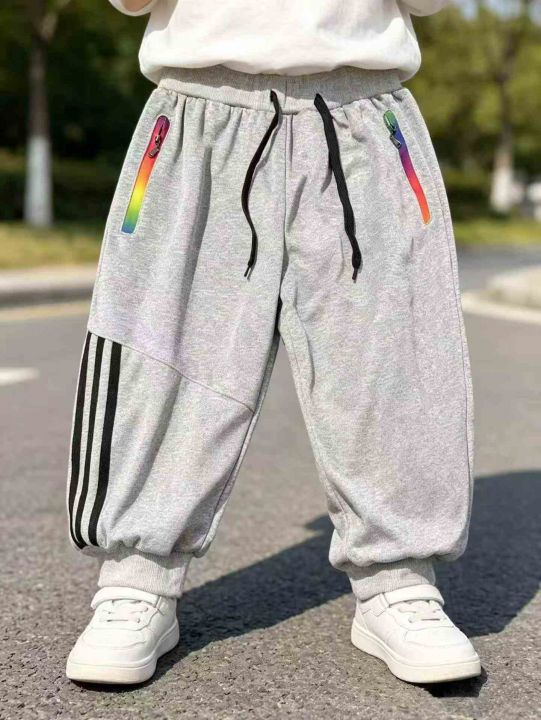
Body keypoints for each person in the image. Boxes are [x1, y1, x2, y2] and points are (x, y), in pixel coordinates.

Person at [65, 0, 480, 686]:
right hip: (198, 113)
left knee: (388, 357)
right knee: (161, 349)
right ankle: (137, 580)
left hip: (362, 114)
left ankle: (398, 580)